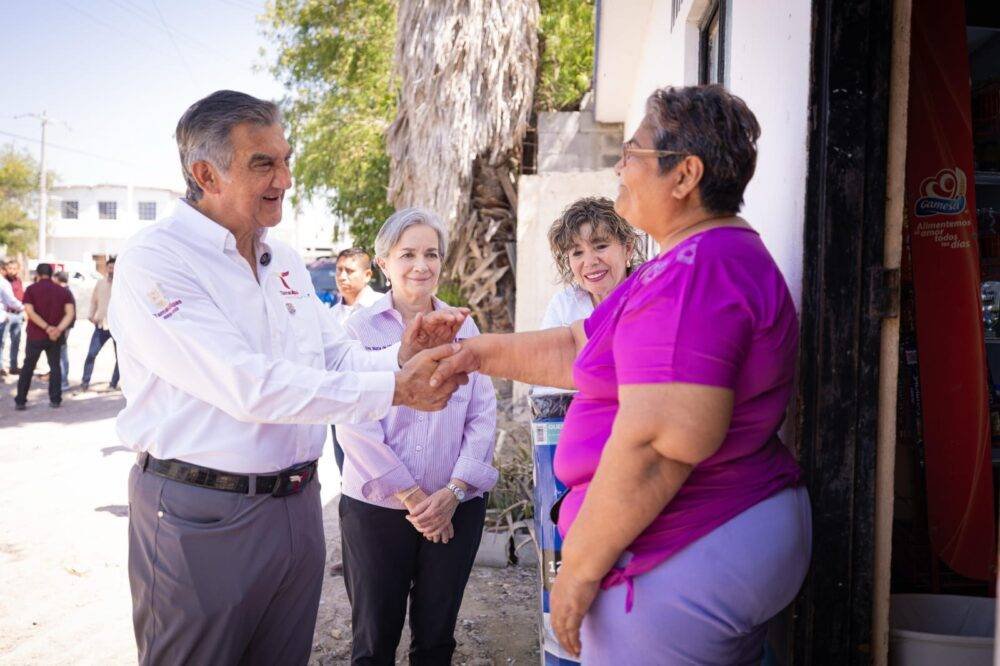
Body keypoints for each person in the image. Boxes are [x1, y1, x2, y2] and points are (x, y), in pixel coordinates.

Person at [432, 85, 811, 664]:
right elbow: (578, 348)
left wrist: (579, 569)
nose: (619, 165)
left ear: (684, 175)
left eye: (633, 152)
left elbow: (659, 447)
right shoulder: (684, 263)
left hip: (689, 539)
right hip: (704, 536)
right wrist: (470, 355)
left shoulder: (695, 274)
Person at [108, 90, 471, 665]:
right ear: (206, 174)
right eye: (263, 164)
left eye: (286, 159)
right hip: (202, 514)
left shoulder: (283, 259)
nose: (285, 179)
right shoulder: (157, 260)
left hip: (298, 508)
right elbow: (248, 385)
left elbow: (335, 359)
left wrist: (402, 357)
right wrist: (396, 388)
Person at [337, 207, 498, 665]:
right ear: (383, 263)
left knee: (436, 641)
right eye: (407, 254)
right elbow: (353, 419)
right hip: (378, 511)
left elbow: (483, 413)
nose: (421, 265)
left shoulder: (463, 327)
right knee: (374, 643)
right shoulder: (358, 330)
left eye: (431, 254)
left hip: (456, 507)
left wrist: (453, 492)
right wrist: (414, 499)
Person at [541, 196, 644, 329]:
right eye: (577, 253)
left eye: (601, 246)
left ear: (628, 249)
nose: (590, 262)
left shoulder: (649, 294)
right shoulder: (563, 305)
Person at [15, 263, 75, 410]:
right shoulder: (62, 291)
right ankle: (55, 399)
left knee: (28, 367)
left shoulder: (31, 289)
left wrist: (46, 328)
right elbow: (70, 313)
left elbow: (30, 311)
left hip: (35, 335)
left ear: (37, 274)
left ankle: (21, 401)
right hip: (55, 336)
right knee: (55, 366)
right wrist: (57, 329)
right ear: (52, 274)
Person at [80, 257, 119, 391]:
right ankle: (85, 382)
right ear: (106, 268)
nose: (111, 270)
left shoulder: (122, 284)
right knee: (91, 354)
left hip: (117, 326)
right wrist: (91, 315)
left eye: (114, 267)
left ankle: (113, 383)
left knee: (120, 358)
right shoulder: (100, 283)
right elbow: (94, 301)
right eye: (109, 267)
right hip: (101, 325)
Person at [0, 259, 26, 376]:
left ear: (18, 269)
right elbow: (10, 300)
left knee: (16, 341)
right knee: (2, 342)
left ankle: (13, 366)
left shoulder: (18, 281)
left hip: (18, 314)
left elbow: (22, 296)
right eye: (9, 268)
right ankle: (1, 368)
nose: (11, 271)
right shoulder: (4, 282)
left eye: (14, 268)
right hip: (7, 314)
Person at [53, 271, 76, 392]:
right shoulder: (67, 291)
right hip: (64, 326)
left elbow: (69, 313)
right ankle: (63, 380)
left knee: (60, 353)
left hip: (62, 327)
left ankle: (63, 381)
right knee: (62, 353)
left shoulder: (64, 292)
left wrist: (61, 328)